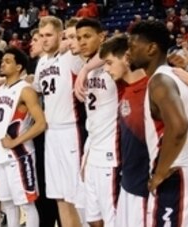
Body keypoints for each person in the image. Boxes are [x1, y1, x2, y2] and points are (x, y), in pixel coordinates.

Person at [128, 20, 188, 227]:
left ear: (151, 48)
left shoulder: (160, 81)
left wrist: (160, 173)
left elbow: (179, 126)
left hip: (176, 176)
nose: (128, 51)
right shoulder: (175, 77)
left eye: (133, 45)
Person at [34, 16, 86, 227]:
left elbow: (93, 55)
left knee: (77, 195)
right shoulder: (41, 62)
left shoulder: (71, 57)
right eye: (42, 36)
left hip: (71, 129)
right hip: (51, 132)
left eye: (49, 35)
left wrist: (72, 45)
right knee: (58, 195)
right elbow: (36, 87)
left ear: (60, 35)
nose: (44, 40)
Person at [0, 47, 46, 227]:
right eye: (3, 60)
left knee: (27, 204)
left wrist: (15, 141)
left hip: (19, 155)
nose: (3, 63)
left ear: (19, 67)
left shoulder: (25, 90)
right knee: (7, 204)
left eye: (8, 61)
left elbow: (41, 124)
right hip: (0, 154)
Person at [75, 18, 120, 227]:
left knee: (112, 219)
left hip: (111, 152)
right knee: (92, 219)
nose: (82, 42)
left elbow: (124, 41)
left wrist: (84, 70)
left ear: (102, 37)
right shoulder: (89, 66)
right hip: (91, 147)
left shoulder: (115, 63)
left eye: (87, 36)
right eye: (79, 38)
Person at [27, 28, 61, 227]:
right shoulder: (39, 65)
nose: (32, 43)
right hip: (44, 132)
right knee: (43, 184)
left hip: (52, 129)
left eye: (36, 39)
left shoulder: (60, 61)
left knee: (50, 184)